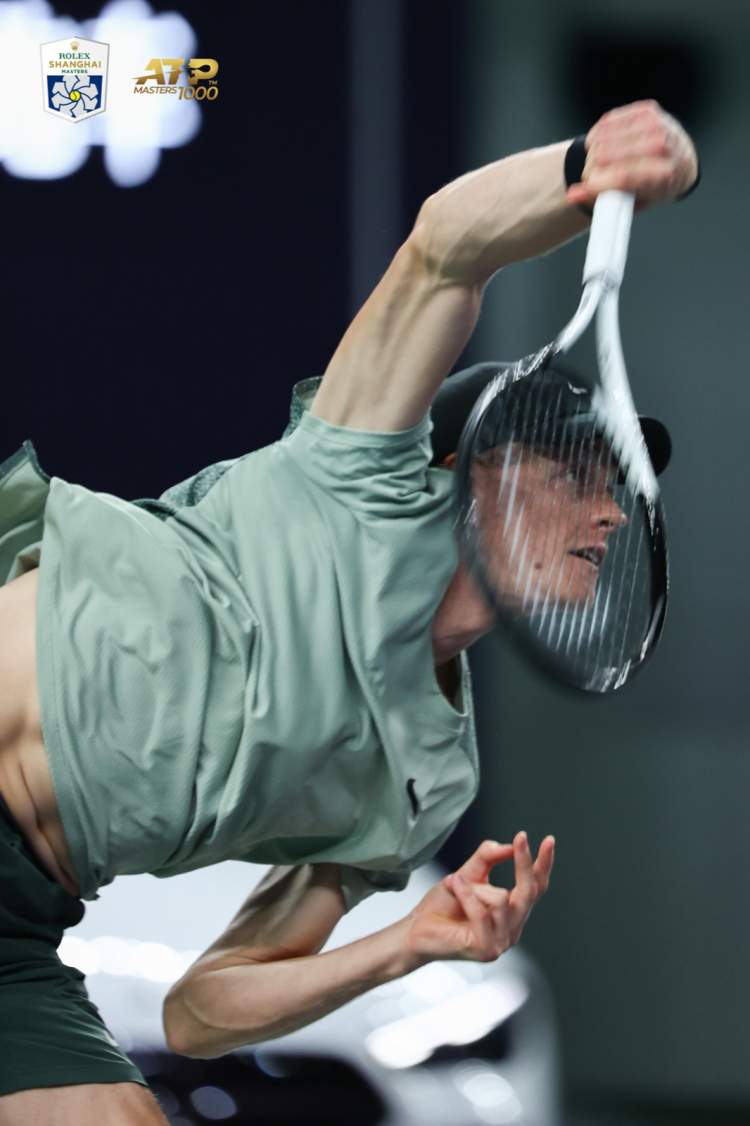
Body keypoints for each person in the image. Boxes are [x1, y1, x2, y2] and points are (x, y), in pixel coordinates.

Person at [0, 99, 697, 1122]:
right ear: (463, 464)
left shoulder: (429, 777)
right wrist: (583, 166)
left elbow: (202, 1011)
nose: (612, 512)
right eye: (572, 471)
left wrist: (407, 942)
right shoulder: (357, 476)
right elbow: (445, 251)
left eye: (616, 485)